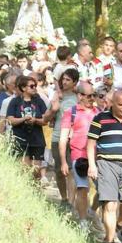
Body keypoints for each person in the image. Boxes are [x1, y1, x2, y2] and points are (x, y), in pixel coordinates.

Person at [87, 90, 122, 243]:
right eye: (120, 104)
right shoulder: (100, 118)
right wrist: (92, 165)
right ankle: (109, 241)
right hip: (106, 163)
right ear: (112, 103)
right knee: (110, 204)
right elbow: (91, 143)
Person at [59, 81, 99, 228]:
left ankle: (92, 211)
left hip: (97, 158)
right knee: (82, 188)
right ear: (80, 95)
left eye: (93, 95)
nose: (92, 99)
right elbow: (63, 139)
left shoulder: (98, 113)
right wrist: (64, 161)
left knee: (104, 190)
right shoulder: (71, 112)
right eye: (89, 96)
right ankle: (83, 222)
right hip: (79, 156)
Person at [6, 75, 49, 182]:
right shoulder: (15, 101)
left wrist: (35, 120)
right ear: (23, 88)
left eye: (35, 86)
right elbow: (10, 120)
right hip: (21, 140)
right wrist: (23, 119)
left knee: (36, 171)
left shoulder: (39, 101)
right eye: (32, 86)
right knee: (24, 170)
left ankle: (37, 193)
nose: (35, 88)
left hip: (37, 140)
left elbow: (45, 120)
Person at [48, 68, 80, 205]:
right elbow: (47, 118)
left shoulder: (78, 98)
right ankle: (64, 198)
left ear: (75, 82)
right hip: (57, 136)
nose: (64, 82)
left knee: (72, 171)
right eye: (63, 79)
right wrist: (54, 109)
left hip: (73, 139)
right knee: (59, 170)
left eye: (68, 80)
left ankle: (71, 203)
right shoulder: (56, 96)